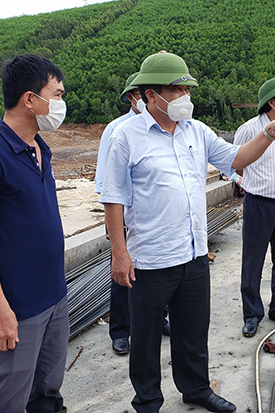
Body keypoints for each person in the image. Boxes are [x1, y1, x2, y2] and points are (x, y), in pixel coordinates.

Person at [100, 51, 275, 413]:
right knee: (147, 338)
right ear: (151, 94)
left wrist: (269, 134)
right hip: (150, 257)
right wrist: (120, 255)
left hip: (194, 253)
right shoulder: (126, 137)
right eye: (176, 89)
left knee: (193, 331)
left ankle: (195, 388)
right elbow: (113, 198)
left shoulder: (196, 131)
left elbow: (237, 158)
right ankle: (148, 400)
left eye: (186, 88)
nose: (185, 96)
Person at [0, 54, 68, 413]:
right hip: (17, 307)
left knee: (48, 391)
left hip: (54, 296)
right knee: (10, 398)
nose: (61, 102)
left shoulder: (40, 149)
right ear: (30, 99)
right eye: (56, 93)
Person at [95, 72, 170, 356]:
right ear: (132, 97)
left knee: (157, 273)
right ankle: (121, 330)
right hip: (126, 217)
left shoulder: (165, 126)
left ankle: (158, 319)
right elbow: (104, 182)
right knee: (124, 273)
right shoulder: (118, 130)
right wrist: (116, 224)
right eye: (142, 95)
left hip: (155, 217)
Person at [233, 78, 275, 338]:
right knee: (253, 262)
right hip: (258, 204)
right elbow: (237, 164)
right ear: (272, 102)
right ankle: (252, 314)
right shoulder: (248, 129)